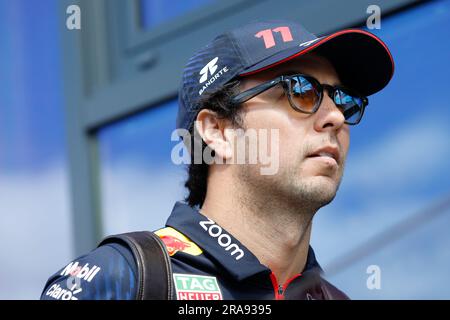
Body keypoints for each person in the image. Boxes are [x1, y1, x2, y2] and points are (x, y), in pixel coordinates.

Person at [41, 19, 394, 300]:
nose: (334, 116)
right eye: (300, 90)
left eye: (343, 99)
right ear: (217, 131)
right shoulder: (124, 278)